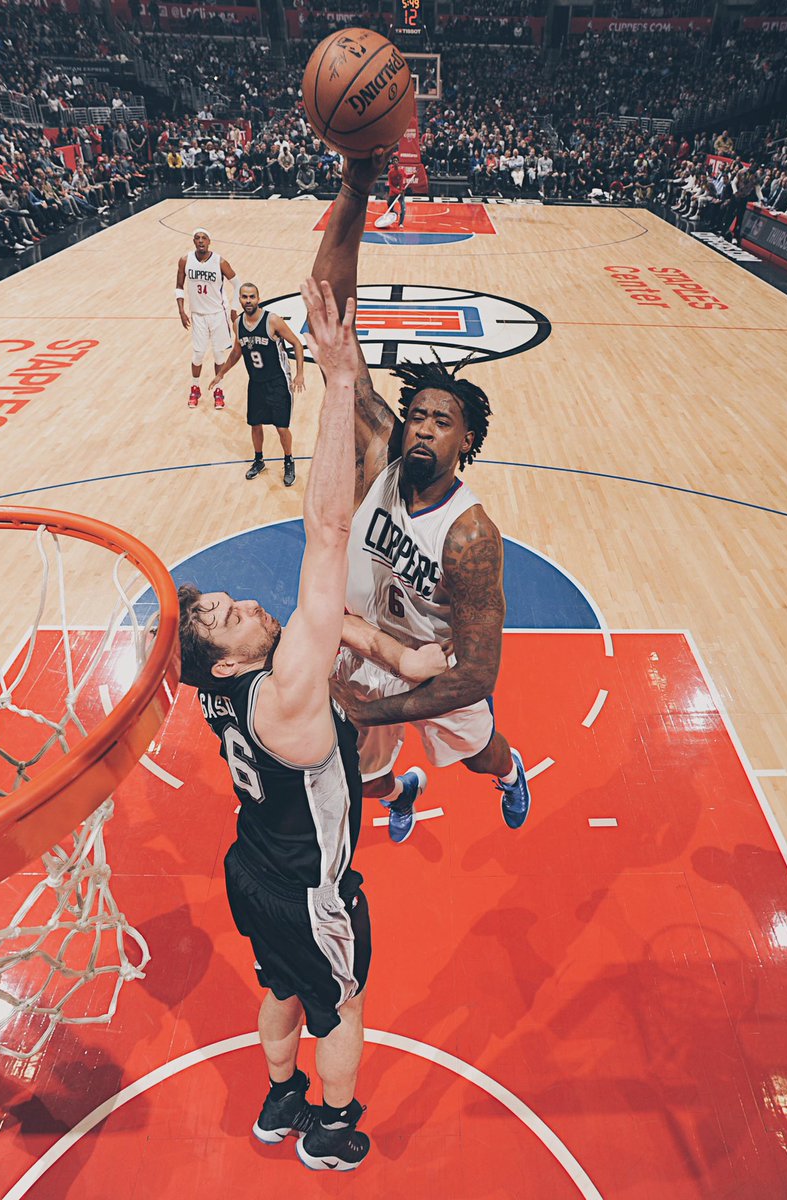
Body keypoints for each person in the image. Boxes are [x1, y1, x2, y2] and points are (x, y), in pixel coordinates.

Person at [178, 279, 447, 1170]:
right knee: (341, 1002)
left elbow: (318, 628)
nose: (243, 603)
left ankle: (279, 1098)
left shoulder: (222, 688)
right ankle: (330, 1128)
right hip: (304, 886)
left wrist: (399, 657)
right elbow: (329, 532)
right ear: (225, 658)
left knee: (280, 989)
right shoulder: (283, 686)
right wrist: (337, 386)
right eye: (223, 615)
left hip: (248, 869)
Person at [312, 150, 532, 844]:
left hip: (434, 668)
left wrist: (382, 708)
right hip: (365, 644)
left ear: (464, 444)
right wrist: (353, 189)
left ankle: (508, 771)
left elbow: (474, 674)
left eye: (443, 422)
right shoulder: (377, 448)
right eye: (418, 414)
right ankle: (399, 787)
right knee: (359, 767)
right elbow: (334, 325)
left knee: (476, 752)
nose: (425, 427)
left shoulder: (469, 537)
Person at [210, 282, 305, 486]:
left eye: (252, 297)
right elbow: (237, 352)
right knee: (255, 424)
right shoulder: (238, 324)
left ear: (258, 298)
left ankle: (289, 461)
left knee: (281, 428)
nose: (248, 300)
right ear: (241, 300)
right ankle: (259, 460)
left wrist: (300, 374)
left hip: (278, 381)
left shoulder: (272, 321)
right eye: (244, 297)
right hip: (256, 383)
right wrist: (221, 374)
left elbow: (297, 343)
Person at [175, 228, 240, 409]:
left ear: (209, 241)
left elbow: (238, 284)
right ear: (193, 241)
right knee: (198, 354)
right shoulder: (185, 261)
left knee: (219, 355)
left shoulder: (220, 262)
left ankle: (219, 390)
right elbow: (179, 286)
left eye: (204, 238)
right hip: (198, 316)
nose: (201, 241)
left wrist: (234, 309)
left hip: (218, 315)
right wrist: (181, 310)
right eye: (197, 238)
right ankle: (195, 388)